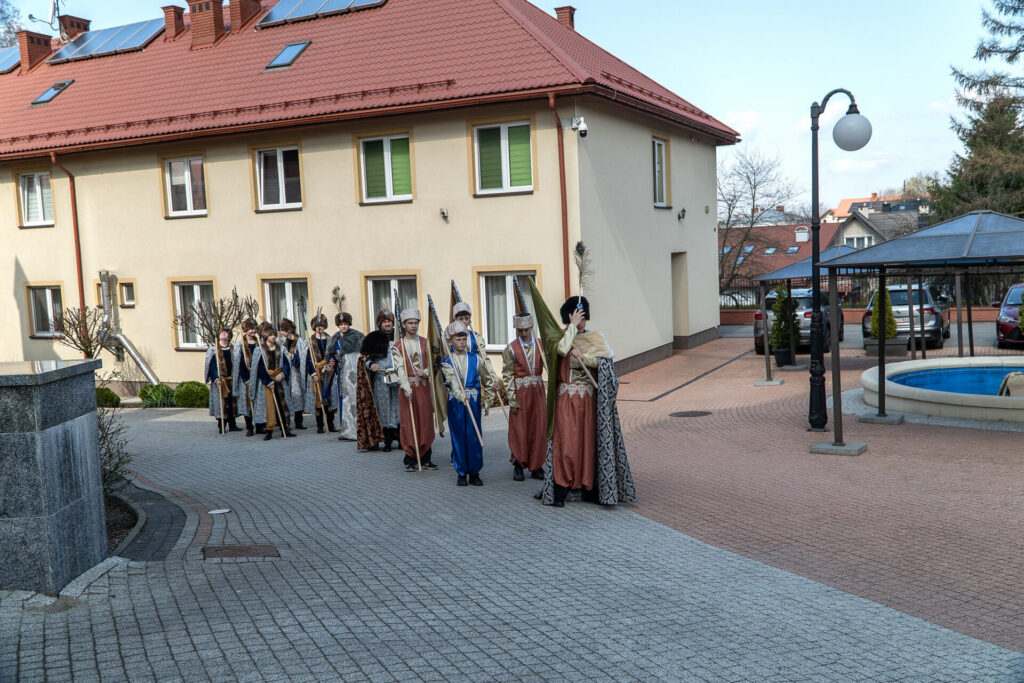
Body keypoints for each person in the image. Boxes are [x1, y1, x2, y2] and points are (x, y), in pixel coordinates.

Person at [542, 296, 636, 507]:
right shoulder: (561, 337)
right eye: (578, 317)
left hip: (588, 400)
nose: (581, 322)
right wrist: (572, 328)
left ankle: (589, 487)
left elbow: (605, 364)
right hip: (566, 399)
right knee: (566, 443)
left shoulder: (595, 338)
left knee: (587, 444)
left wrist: (585, 358)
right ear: (569, 317)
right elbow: (560, 351)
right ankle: (561, 488)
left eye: (583, 318)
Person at [440, 321, 495, 486]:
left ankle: (475, 472)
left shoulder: (476, 359)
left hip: (473, 401)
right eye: (458, 339)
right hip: (456, 403)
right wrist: (460, 395)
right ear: (450, 341)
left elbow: (487, 379)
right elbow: (452, 381)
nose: (462, 342)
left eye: (464, 339)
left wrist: (489, 399)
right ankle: (462, 472)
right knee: (459, 436)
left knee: (474, 435)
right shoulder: (447, 362)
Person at [502, 312, 546, 481]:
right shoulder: (511, 348)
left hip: (537, 392)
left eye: (526, 329)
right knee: (520, 429)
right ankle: (519, 464)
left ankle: (536, 465)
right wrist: (511, 398)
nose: (524, 333)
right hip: (520, 393)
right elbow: (507, 374)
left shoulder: (540, 345)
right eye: (520, 330)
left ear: (531, 327)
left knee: (538, 428)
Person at [393, 308, 436, 471]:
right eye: (410, 323)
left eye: (416, 323)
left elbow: (433, 364)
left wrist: (426, 372)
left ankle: (426, 457)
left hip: (423, 386)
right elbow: (399, 368)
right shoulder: (398, 346)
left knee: (425, 420)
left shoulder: (425, 343)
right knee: (409, 421)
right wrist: (406, 387)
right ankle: (410, 457)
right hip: (408, 388)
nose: (413, 326)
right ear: (404, 325)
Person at [357, 310, 398, 451]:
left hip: (398, 377)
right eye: (384, 321)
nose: (387, 324)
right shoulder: (373, 338)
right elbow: (364, 359)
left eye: (389, 321)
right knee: (384, 408)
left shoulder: (400, 336)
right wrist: (371, 365)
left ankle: (402, 439)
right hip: (381, 378)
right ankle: (387, 442)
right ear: (380, 324)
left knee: (398, 408)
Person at [248, 323, 295, 440]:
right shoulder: (259, 350)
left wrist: (282, 374)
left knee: (282, 404)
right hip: (267, 382)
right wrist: (268, 381)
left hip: (280, 380)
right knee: (269, 406)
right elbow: (259, 368)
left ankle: (285, 428)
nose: (273, 337)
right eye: (270, 335)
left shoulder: (281, 348)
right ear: (265, 336)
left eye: (274, 334)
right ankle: (269, 431)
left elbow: (286, 364)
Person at [329, 312, 364, 441]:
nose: (343, 326)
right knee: (343, 401)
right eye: (341, 324)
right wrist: (331, 363)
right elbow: (332, 356)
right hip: (341, 374)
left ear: (349, 324)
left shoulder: (357, 336)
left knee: (354, 400)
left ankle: (357, 430)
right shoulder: (335, 338)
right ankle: (346, 430)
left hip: (353, 374)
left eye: (345, 324)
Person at [452, 301, 500, 395]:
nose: (464, 322)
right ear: (455, 319)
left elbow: (484, 360)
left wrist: (493, 378)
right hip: (455, 385)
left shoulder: (476, 338)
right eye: (461, 319)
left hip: (473, 384)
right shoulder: (449, 338)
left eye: (466, 318)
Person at [303, 312, 338, 434]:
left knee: (329, 397)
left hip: (328, 371)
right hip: (317, 372)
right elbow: (309, 359)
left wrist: (332, 363)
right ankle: (320, 425)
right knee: (319, 399)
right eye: (318, 326)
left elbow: (334, 354)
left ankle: (330, 423)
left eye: (322, 326)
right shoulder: (310, 341)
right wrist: (313, 374)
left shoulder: (330, 339)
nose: (320, 328)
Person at [204, 327, 240, 434]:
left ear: (229, 336)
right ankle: (222, 425)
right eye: (222, 333)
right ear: (218, 336)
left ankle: (233, 424)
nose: (224, 334)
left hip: (231, 380)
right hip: (220, 381)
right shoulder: (213, 350)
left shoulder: (233, 349)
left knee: (232, 403)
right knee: (222, 404)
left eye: (226, 333)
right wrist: (216, 379)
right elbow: (211, 367)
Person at [278, 318, 307, 430]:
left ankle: (299, 421)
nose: (281, 332)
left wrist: (293, 357)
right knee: (287, 396)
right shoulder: (282, 341)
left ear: (289, 330)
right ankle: (286, 422)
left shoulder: (299, 342)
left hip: (295, 373)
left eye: (283, 330)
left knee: (297, 396)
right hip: (286, 372)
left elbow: (303, 358)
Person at [233, 318, 259, 436]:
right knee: (248, 403)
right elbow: (239, 363)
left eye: (254, 328)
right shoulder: (240, 344)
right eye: (250, 329)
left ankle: (259, 425)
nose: (253, 331)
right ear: (245, 330)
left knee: (258, 402)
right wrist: (246, 378)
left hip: (258, 377)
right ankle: (249, 426)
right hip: (246, 378)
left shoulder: (259, 343)